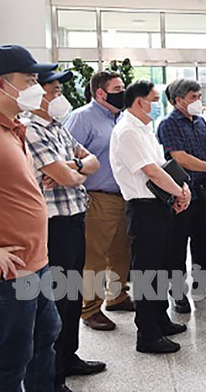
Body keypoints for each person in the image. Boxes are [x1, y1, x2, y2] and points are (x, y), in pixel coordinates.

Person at [0, 45, 61, 392]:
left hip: (33, 265)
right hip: (2, 276)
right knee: (9, 363)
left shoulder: (11, 128)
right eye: (30, 80)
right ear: (3, 84)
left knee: (45, 338)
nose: (38, 86)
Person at [25, 69, 107, 390]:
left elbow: (92, 161)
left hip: (75, 219)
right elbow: (70, 177)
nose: (60, 96)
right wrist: (74, 169)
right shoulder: (31, 130)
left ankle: (69, 356)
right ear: (37, 94)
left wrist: (72, 167)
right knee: (57, 300)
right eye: (55, 90)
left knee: (72, 294)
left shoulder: (58, 127)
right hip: (53, 225)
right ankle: (53, 375)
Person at [110, 80, 191, 354]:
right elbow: (151, 172)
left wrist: (182, 189)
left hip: (159, 204)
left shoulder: (144, 128)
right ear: (138, 102)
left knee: (159, 267)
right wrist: (180, 193)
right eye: (154, 99)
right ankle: (147, 333)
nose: (158, 104)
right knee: (146, 272)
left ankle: (160, 319)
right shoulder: (127, 131)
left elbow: (163, 166)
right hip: (142, 208)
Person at [64, 71, 134, 331]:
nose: (123, 92)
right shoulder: (82, 118)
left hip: (123, 196)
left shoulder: (121, 119)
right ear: (101, 93)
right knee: (94, 257)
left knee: (120, 252)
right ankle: (90, 308)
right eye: (118, 88)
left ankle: (117, 296)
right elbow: (67, 155)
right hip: (97, 197)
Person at [156, 79, 206, 314]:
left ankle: (201, 282)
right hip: (181, 195)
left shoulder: (200, 122)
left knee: (203, 239)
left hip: (203, 191)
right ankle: (177, 292)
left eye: (199, 96)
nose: (198, 101)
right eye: (193, 97)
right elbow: (179, 157)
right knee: (176, 245)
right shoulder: (168, 124)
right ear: (178, 100)